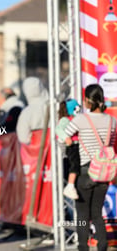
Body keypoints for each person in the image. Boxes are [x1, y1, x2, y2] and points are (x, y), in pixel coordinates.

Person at [64, 84, 116, 251]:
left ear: (88, 100)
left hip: (85, 172)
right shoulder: (112, 121)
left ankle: (83, 248)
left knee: (82, 216)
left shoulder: (81, 119)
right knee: (97, 214)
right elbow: (111, 143)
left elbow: (64, 135)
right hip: (103, 173)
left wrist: (70, 145)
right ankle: (102, 247)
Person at [55, 99, 81, 200]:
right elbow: (58, 129)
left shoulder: (72, 119)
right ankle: (70, 186)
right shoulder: (66, 120)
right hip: (72, 146)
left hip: (75, 145)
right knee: (74, 164)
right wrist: (66, 138)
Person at [16, 77, 49, 144]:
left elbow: (23, 137)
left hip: (35, 150)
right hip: (53, 148)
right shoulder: (52, 105)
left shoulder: (26, 112)